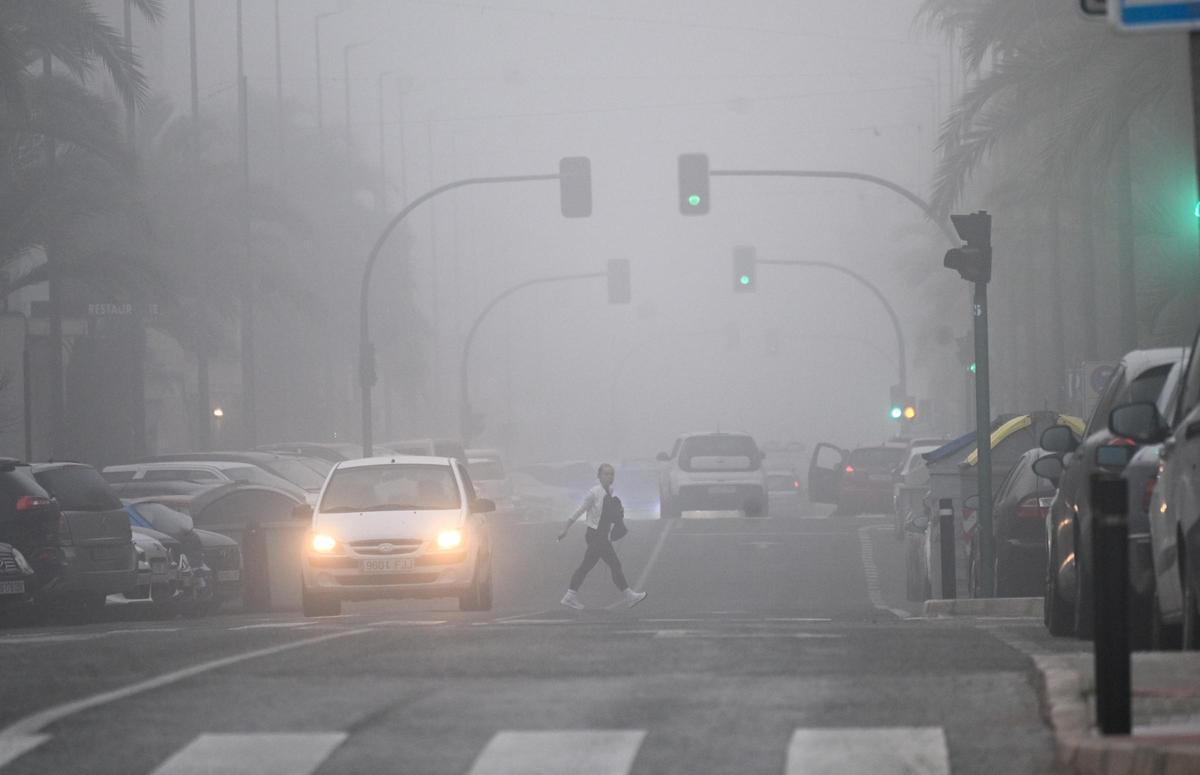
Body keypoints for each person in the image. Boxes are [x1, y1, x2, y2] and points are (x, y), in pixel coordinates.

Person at [558, 463, 647, 610]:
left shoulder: (610, 491)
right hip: (595, 536)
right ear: (599, 476)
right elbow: (579, 511)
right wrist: (565, 529)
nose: (609, 477)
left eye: (611, 474)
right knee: (614, 564)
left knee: (586, 566)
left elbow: (606, 514)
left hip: (602, 535)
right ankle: (629, 596)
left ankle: (570, 596)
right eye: (606, 474)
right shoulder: (594, 493)